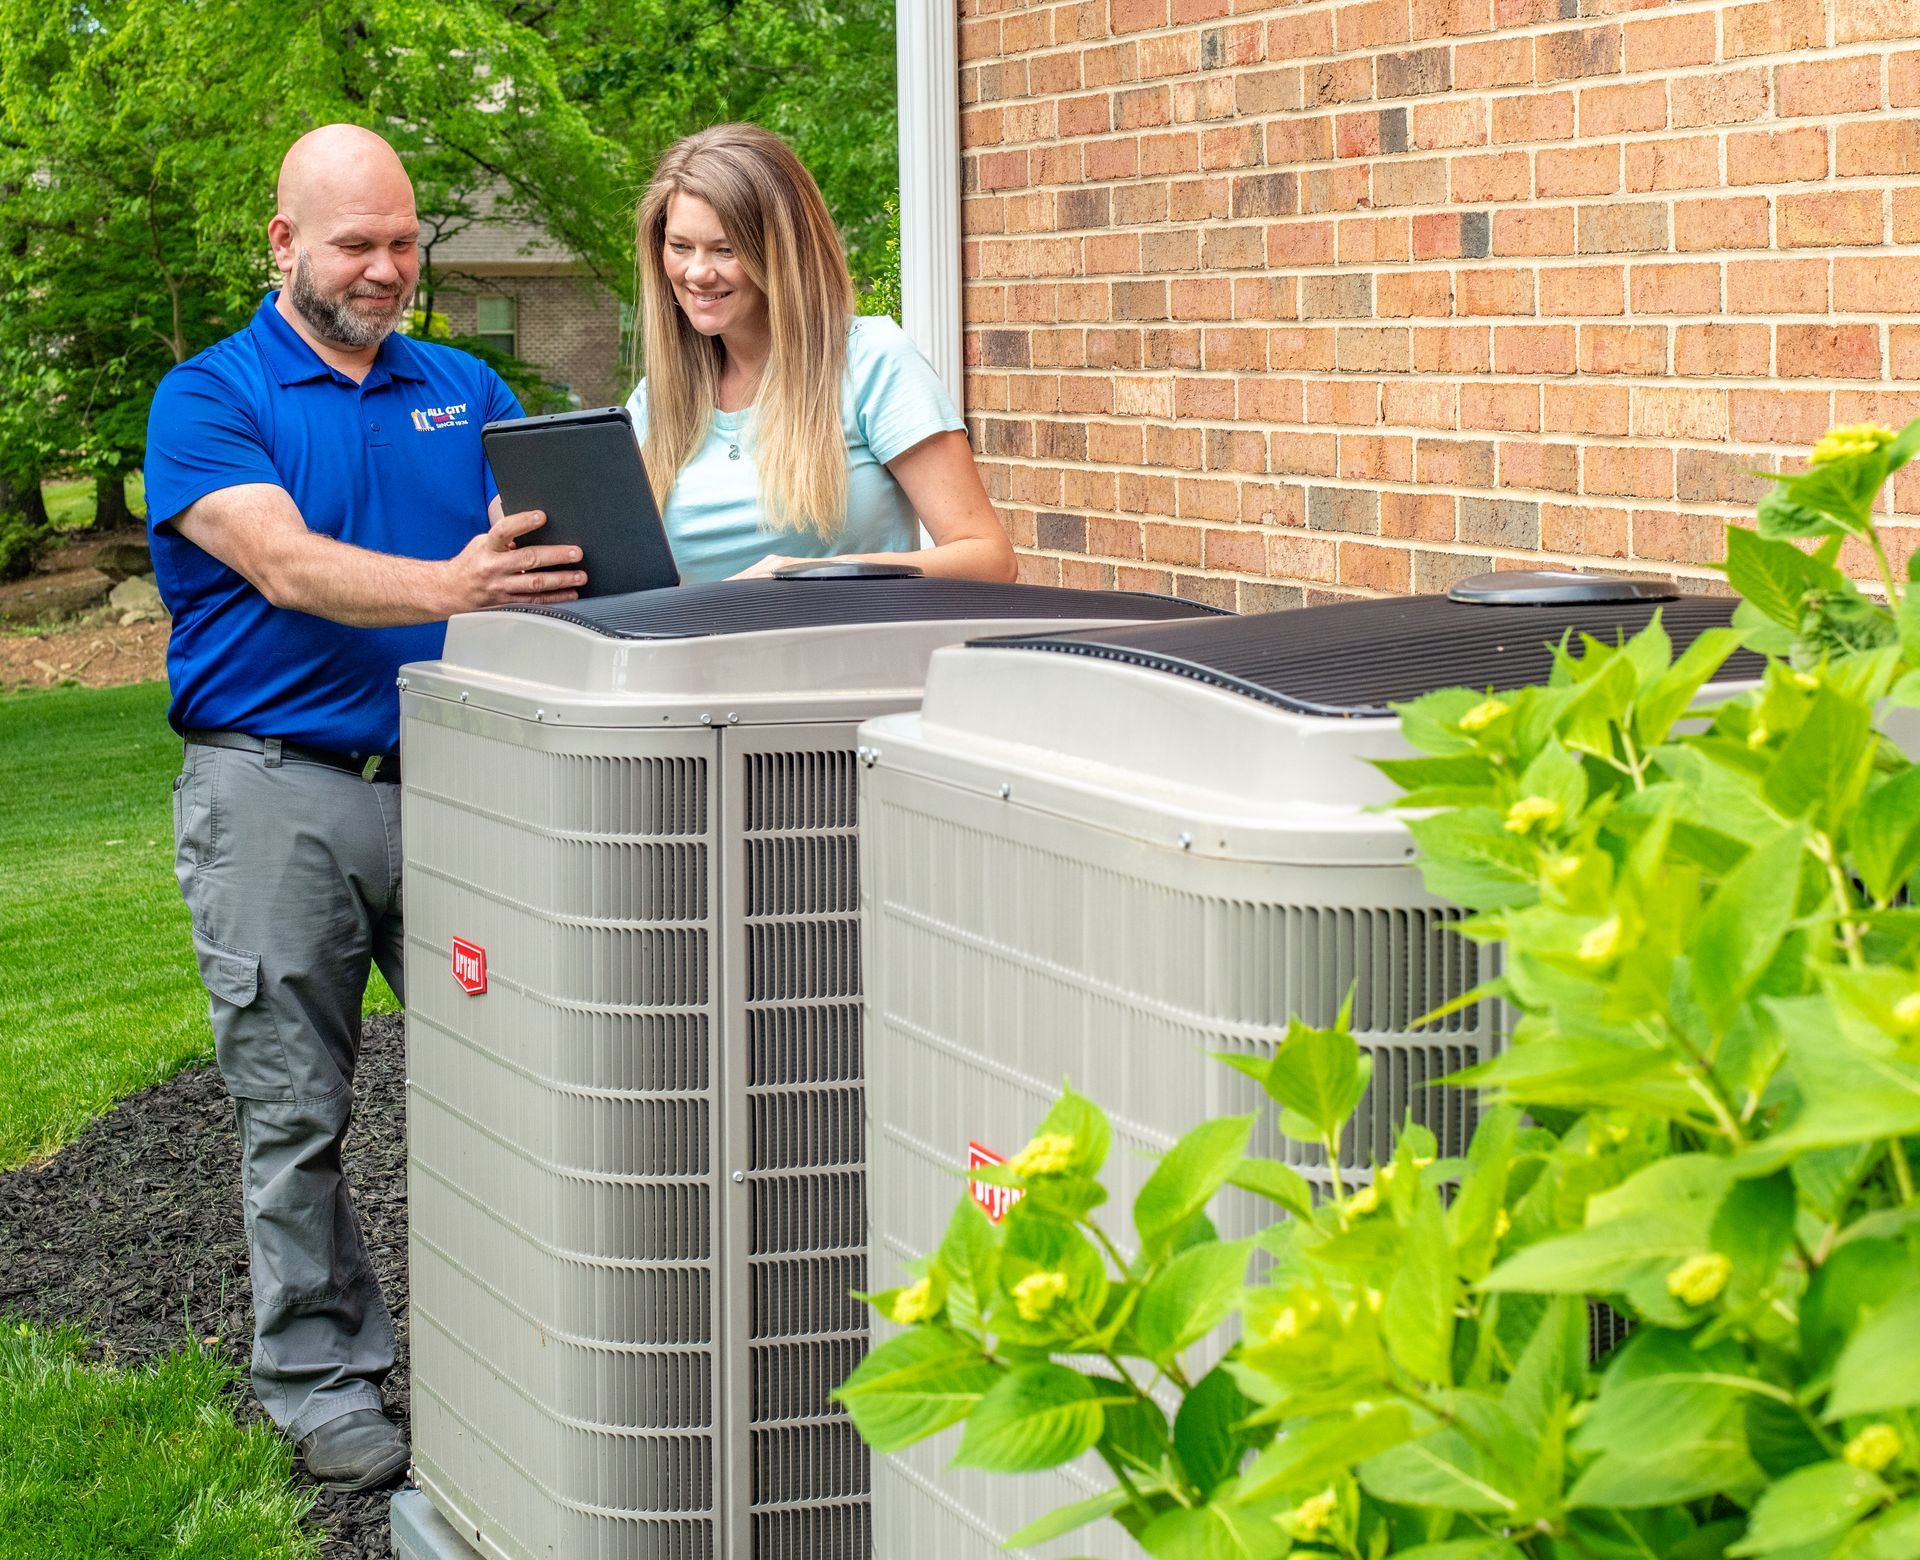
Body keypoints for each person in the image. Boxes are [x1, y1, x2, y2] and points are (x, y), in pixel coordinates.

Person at [143, 123, 585, 1490]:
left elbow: (566, 543)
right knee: (296, 1110)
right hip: (277, 792)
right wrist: (453, 587)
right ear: (284, 245)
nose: (388, 267)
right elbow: (281, 564)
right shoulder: (209, 397)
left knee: (533, 1080)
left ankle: (539, 1347)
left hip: (467, 779)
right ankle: (322, 1378)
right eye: (357, 245)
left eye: (404, 241)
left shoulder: (462, 385)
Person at [630, 123, 1017, 583]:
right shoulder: (655, 401)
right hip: (690, 653)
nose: (696, 272)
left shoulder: (871, 361)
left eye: (725, 250)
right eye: (679, 247)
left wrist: (808, 576)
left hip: (842, 651)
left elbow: (989, 560)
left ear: (779, 254)